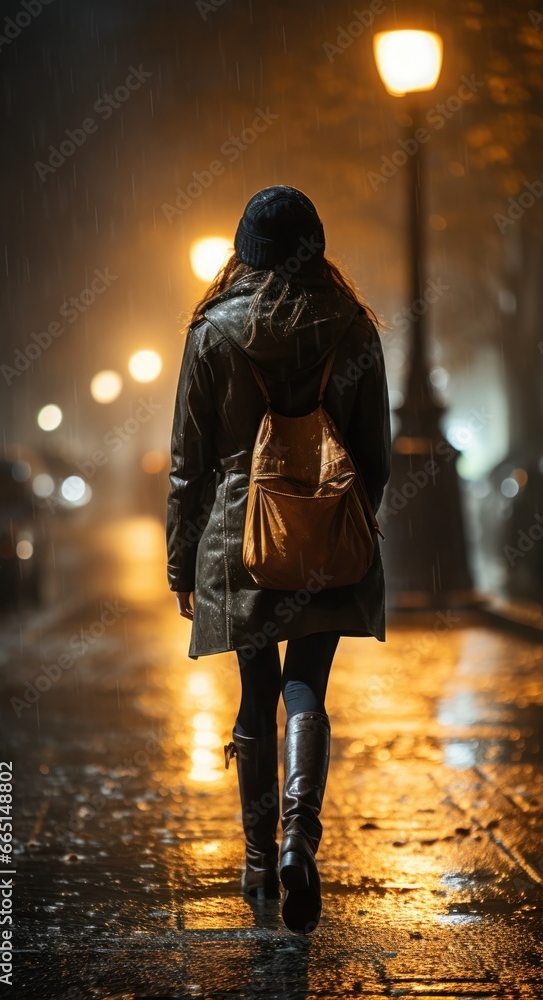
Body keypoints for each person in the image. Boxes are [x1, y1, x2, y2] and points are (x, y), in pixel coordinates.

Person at [166, 185, 391, 934]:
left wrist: (180, 560)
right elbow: (375, 456)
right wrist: (342, 524)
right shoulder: (353, 328)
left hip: (240, 539)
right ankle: (301, 832)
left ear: (245, 252)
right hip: (325, 536)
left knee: (255, 689)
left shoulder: (213, 332)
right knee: (308, 687)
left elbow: (186, 466)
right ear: (315, 248)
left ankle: (260, 861)